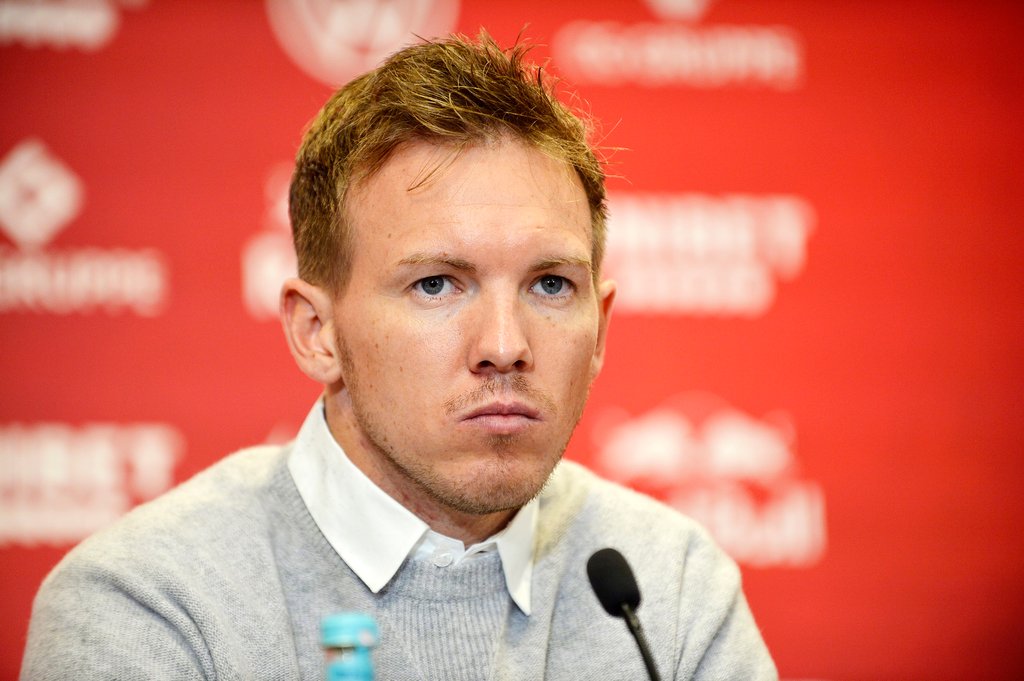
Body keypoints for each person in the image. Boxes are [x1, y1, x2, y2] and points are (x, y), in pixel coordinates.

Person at [21, 32, 776, 680]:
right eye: (437, 284)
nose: (506, 346)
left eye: (550, 284)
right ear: (317, 332)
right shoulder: (149, 605)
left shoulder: (667, 587)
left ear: (601, 327)